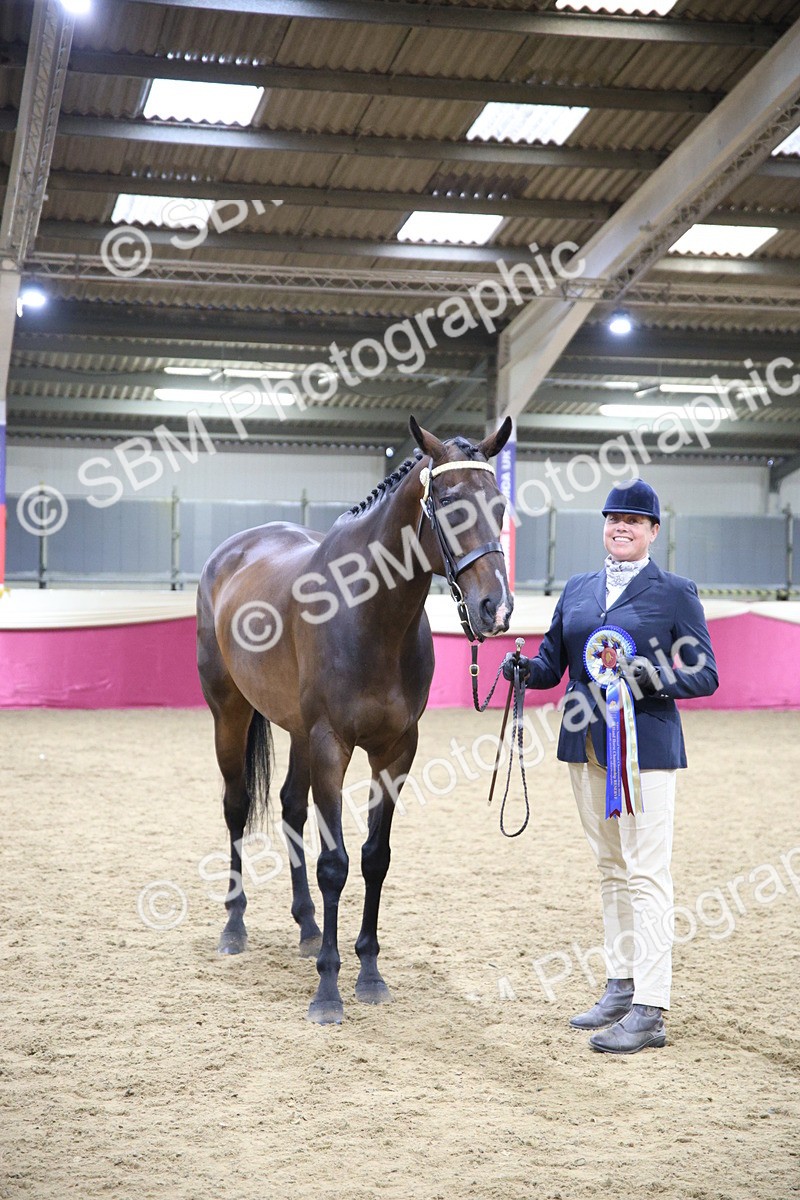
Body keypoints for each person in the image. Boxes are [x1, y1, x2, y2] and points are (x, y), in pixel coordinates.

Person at [504, 479, 718, 1054]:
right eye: (612, 518)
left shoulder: (674, 592)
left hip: (645, 749)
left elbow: (705, 674)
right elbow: (555, 662)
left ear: (652, 530)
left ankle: (651, 1006)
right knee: (610, 868)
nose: (620, 527)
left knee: (649, 874)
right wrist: (525, 668)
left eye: (633, 519)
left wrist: (650, 679)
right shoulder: (577, 589)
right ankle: (620, 985)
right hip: (586, 747)